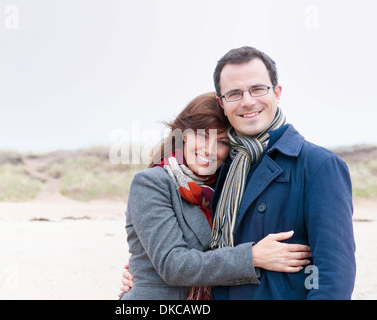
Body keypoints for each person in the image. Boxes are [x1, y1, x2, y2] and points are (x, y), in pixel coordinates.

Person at [119, 92, 311, 300]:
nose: (209, 150)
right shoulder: (151, 183)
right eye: (203, 135)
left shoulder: (229, 190)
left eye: (222, 141)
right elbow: (173, 265)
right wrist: (252, 257)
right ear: (183, 134)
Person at [210, 46, 356, 299]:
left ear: (277, 93)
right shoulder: (219, 168)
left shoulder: (319, 166)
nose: (247, 101)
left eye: (258, 89)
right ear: (221, 104)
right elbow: (192, 253)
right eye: (234, 93)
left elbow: (334, 275)